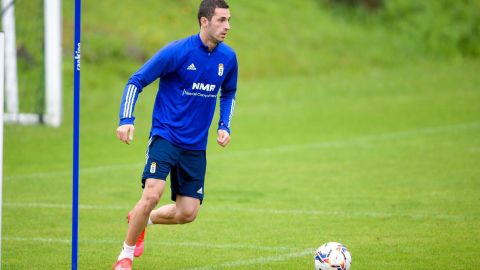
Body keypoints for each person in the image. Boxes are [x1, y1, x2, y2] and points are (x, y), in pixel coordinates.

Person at [112, 0, 237, 269]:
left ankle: (143, 219)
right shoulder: (177, 52)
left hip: (195, 146)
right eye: (221, 20)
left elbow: (228, 92)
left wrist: (224, 124)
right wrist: (126, 119)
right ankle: (125, 255)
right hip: (165, 136)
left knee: (188, 213)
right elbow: (136, 80)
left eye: (228, 20)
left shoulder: (228, 59)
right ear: (204, 22)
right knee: (152, 193)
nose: (227, 26)